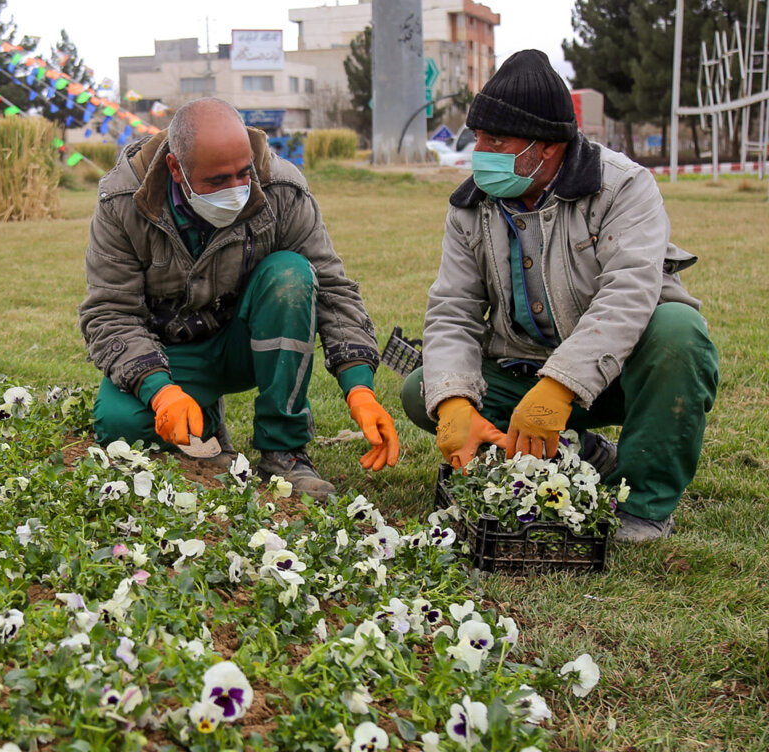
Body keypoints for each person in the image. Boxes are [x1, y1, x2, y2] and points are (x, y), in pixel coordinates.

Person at [401, 50, 719, 542]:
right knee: (425, 391)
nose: (478, 150)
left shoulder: (623, 187)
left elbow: (629, 294)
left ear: (546, 147)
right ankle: (580, 450)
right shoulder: (471, 206)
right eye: (478, 137)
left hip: (620, 372)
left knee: (679, 332)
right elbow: (453, 311)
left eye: (495, 140)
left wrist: (560, 386)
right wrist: (456, 401)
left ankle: (644, 504)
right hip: (522, 368)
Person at [78, 97, 400, 501]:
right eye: (216, 181)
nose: (236, 190)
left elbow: (333, 289)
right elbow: (110, 313)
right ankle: (204, 420)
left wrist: (360, 389)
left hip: (246, 341)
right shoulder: (123, 200)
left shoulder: (282, 188)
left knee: (292, 274)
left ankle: (284, 452)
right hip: (172, 352)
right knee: (120, 423)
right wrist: (161, 390)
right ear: (176, 169)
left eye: (242, 173)